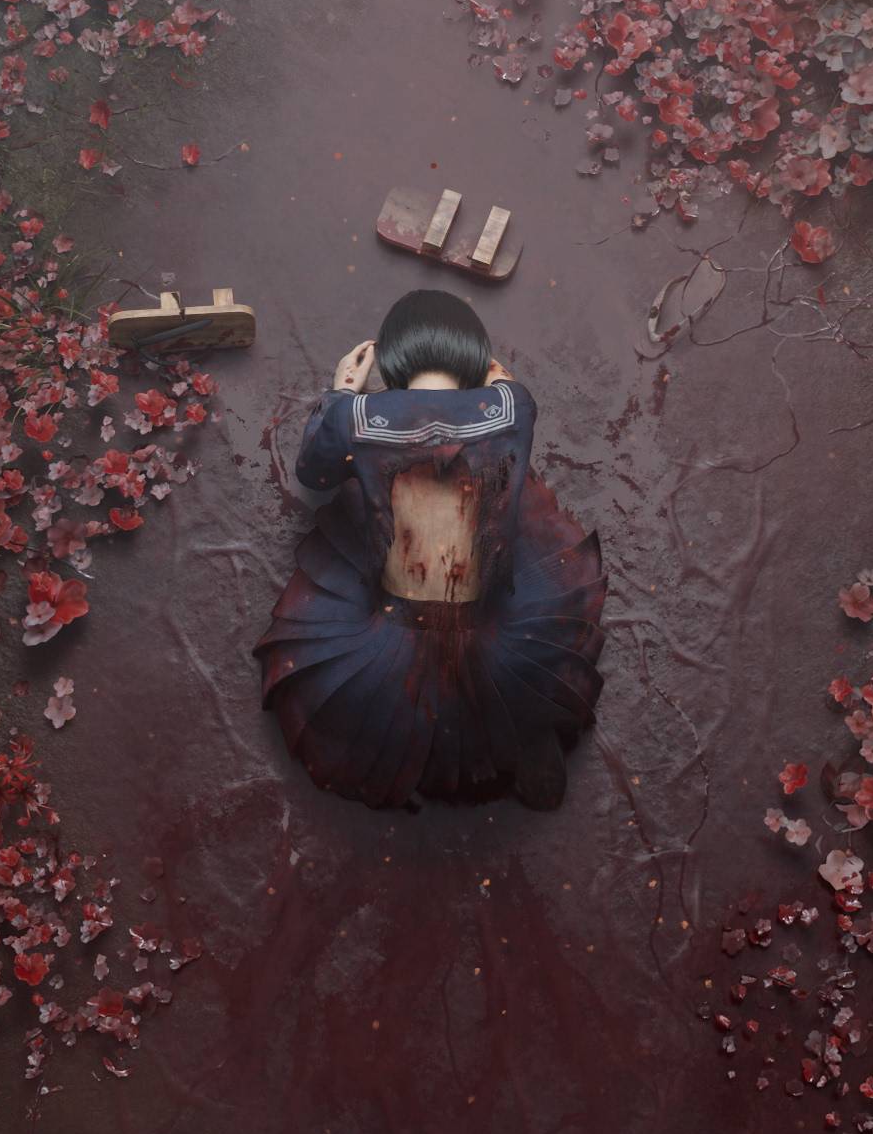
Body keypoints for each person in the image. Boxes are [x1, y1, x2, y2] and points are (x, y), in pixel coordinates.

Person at [252, 287, 607, 810]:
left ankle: (458, 744)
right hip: (492, 620)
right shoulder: (514, 404)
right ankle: (523, 736)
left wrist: (341, 394)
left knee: (358, 503)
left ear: (393, 358)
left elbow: (315, 474)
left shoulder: (357, 415)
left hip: (390, 625)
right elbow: (504, 392)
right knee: (513, 489)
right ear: (476, 357)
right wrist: (498, 381)